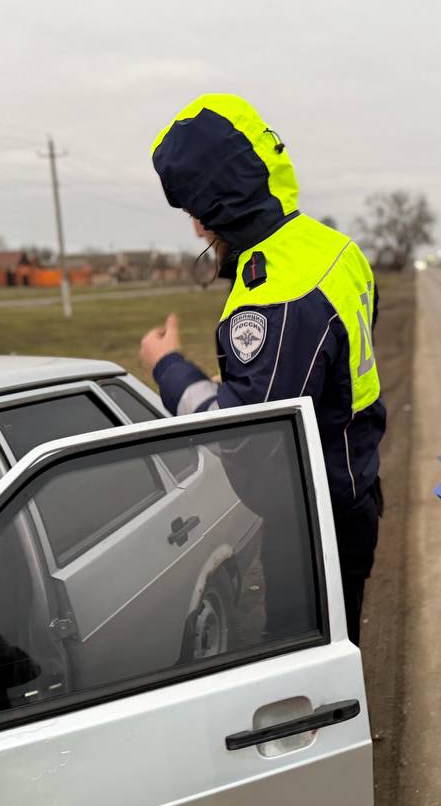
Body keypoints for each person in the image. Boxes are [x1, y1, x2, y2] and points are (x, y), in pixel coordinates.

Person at [139, 93, 386, 646]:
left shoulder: (275, 296)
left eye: (193, 211)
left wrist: (168, 368)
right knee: (337, 647)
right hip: (354, 482)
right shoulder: (333, 249)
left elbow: (244, 433)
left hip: (314, 518)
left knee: (311, 681)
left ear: (214, 206)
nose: (196, 229)